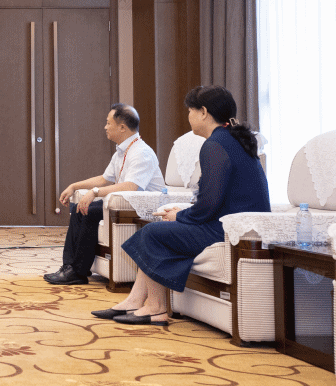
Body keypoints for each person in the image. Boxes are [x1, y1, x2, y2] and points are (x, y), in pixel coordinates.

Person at [99, 86, 270, 325]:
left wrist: (180, 217)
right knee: (158, 229)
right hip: (233, 225)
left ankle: (155, 308)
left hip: (228, 230)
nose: (188, 116)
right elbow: (215, 199)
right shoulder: (231, 139)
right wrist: (183, 213)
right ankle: (135, 300)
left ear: (203, 112)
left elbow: (209, 203)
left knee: (151, 233)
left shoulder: (215, 144)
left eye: (190, 110)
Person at [45, 103, 166, 285]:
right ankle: (69, 267)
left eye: (108, 123)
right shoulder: (122, 151)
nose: (105, 127)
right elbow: (104, 179)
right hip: (125, 203)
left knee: (89, 211)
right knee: (80, 208)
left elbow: (131, 186)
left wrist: (95, 193)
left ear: (122, 127)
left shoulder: (142, 152)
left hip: (143, 207)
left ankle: (78, 271)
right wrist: (74, 186)